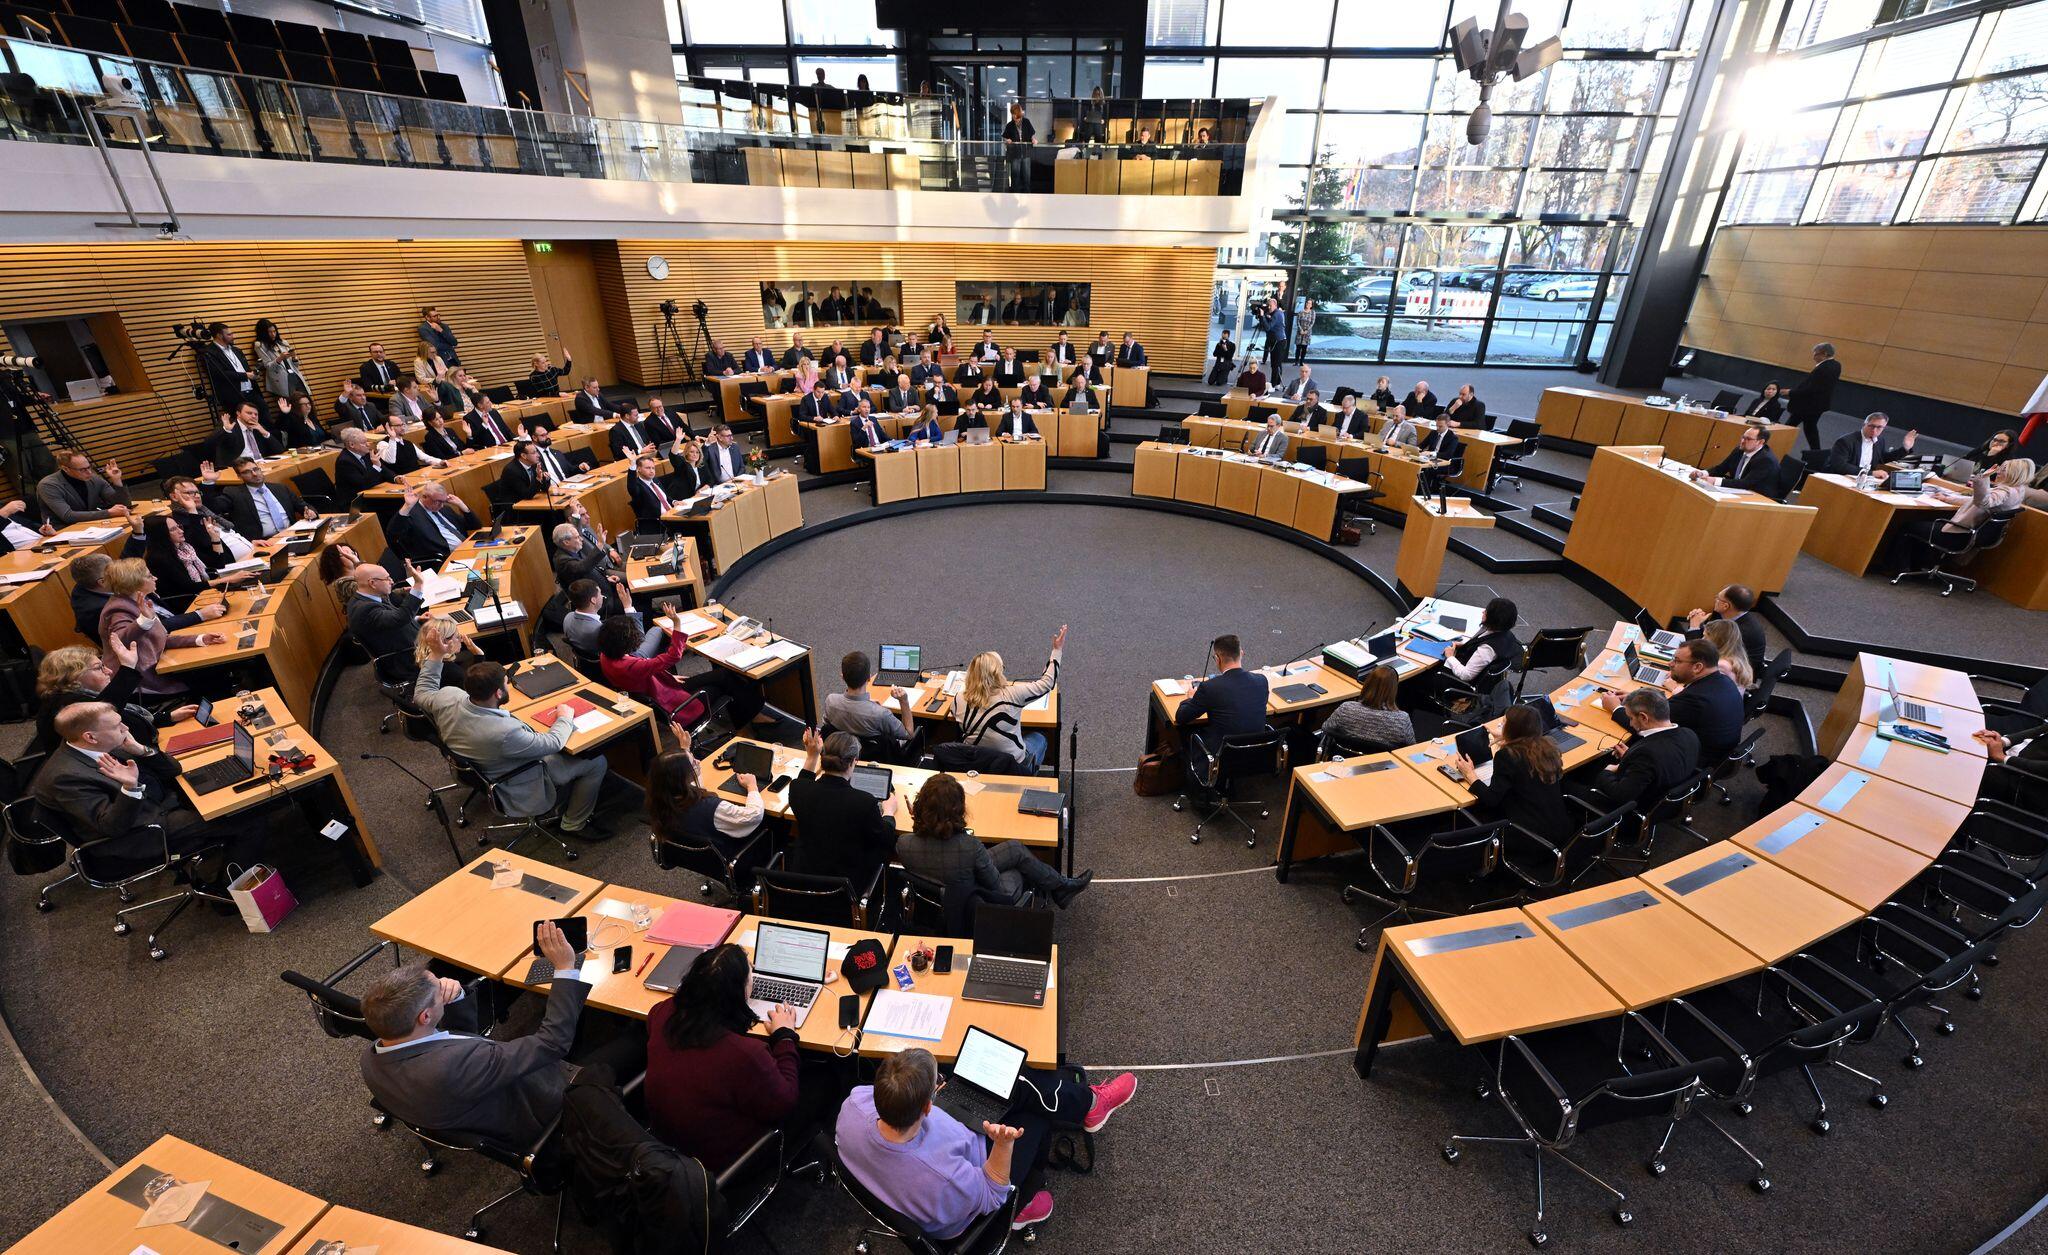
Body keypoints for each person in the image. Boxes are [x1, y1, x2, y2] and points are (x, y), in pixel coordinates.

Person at [360, 923, 640, 1147]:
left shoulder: (373, 1057)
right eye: (438, 991)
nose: (445, 985)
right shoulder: (458, 1064)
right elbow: (552, 1043)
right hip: (549, 1108)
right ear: (425, 1017)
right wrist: (565, 969)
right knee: (640, 1035)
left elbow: (451, 1040)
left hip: (477, 1103)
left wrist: (455, 999)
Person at [836, 1047, 1136, 1241]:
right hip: (981, 1173)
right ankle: (1024, 1202)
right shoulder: (945, 1179)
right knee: (1031, 1106)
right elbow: (992, 1194)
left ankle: (1087, 1104)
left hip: (934, 1150)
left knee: (1001, 1082)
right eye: (936, 1085)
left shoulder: (855, 1103)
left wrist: (940, 1094)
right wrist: (1003, 1145)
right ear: (928, 1106)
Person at [644, 943, 837, 1174]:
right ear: (738, 994)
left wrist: (737, 966)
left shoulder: (663, 1012)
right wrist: (784, 1036)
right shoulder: (745, 1054)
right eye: (750, 976)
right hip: (724, 1162)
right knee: (826, 1078)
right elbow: (783, 1102)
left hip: (667, 1141)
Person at [30, 702, 248, 873]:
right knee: (247, 816)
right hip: (144, 831)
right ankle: (225, 890)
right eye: (117, 726)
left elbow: (173, 769)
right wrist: (130, 787)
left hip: (160, 801)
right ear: (90, 737)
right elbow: (111, 827)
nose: (125, 728)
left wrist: (140, 750)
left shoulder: (101, 744)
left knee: (235, 796)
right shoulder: (65, 777)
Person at [417, 648, 611, 834]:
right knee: (597, 762)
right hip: (519, 777)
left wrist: (436, 653)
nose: (508, 685)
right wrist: (564, 717)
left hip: (483, 767)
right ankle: (573, 823)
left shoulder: (448, 696)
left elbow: (421, 693)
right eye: (506, 683)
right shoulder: (505, 732)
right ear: (498, 693)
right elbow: (554, 742)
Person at [898, 772, 1090, 906]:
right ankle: (1058, 889)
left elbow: (930, 843)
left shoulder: (903, 844)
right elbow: (995, 886)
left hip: (941, 888)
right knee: (1018, 870)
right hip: (975, 899)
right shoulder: (970, 846)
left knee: (1014, 849)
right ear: (958, 809)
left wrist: (918, 819)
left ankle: (1061, 887)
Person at [28, 636, 197, 758]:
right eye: (98, 668)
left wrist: (167, 717)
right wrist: (128, 667)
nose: (108, 671)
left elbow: (123, 717)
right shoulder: (69, 706)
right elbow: (108, 712)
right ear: (74, 677)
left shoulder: (79, 696)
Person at [1600, 638, 1743, 764]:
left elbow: (1646, 725)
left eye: (1677, 661)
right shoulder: (1722, 681)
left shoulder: (1695, 700)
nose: (1670, 663)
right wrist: (1637, 699)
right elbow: (1666, 708)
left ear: (1697, 667)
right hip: (1714, 753)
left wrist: (1615, 708)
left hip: (1690, 762)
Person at [787, 727, 900, 885]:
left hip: (803, 879)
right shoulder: (864, 802)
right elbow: (886, 838)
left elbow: (804, 780)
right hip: (846, 884)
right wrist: (889, 812)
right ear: (854, 761)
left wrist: (812, 755)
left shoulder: (798, 789)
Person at [98, 558, 226, 696]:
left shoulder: (139, 601)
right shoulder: (119, 609)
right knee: (215, 676)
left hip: (160, 664)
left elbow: (161, 638)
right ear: (134, 583)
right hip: (143, 680)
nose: (155, 578)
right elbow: (120, 640)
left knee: (217, 670)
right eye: (149, 576)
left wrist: (200, 639)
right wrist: (144, 620)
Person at [1448, 703, 1572, 844]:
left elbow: (1491, 799)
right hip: (1561, 830)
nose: (1501, 725)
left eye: (1504, 723)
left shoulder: (1506, 756)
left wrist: (1470, 774)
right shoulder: (1549, 748)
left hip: (1529, 837)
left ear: (1512, 729)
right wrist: (1509, 738)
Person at [1889, 458, 2034, 573]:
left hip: (1959, 535)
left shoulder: (2004, 492)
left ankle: (1897, 568)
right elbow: (1975, 500)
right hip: (1975, 535)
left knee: (1908, 526)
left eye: (2004, 469)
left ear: (2014, 473)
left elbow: (1983, 502)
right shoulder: (2018, 491)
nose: (1999, 471)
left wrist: (1982, 478)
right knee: (1926, 523)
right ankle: (1917, 565)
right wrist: (1947, 498)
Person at [961, 627, 1065, 773]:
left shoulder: (958, 699)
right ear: (997, 673)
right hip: (1013, 767)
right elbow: (1047, 683)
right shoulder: (1013, 695)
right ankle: (1027, 777)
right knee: (1040, 737)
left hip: (975, 764)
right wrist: (1057, 650)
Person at [1578, 688, 1700, 810]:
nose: (1630, 724)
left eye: (1631, 718)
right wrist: (1630, 756)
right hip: (1667, 801)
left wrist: (1607, 772)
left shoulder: (1647, 754)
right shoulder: (1689, 734)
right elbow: (1663, 761)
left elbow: (1621, 795)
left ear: (1643, 717)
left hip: (1634, 808)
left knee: (1570, 782)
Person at [1174, 633, 1268, 740]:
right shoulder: (1261, 680)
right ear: (1241, 654)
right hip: (1258, 748)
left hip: (1223, 749)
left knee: (1185, 732)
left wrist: (1190, 698)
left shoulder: (1210, 687)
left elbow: (1181, 718)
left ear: (1217, 659)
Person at [347, 563, 428, 685]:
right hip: (406, 659)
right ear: (372, 583)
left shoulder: (370, 596)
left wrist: (417, 619)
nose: (392, 581)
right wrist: (418, 585)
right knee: (453, 669)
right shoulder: (364, 609)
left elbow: (390, 621)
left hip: (412, 643)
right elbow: (400, 618)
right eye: (387, 578)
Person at [1439, 597, 1521, 712]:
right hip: (1474, 674)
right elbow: (1480, 643)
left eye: (1486, 611)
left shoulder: (1487, 649)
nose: (1483, 612)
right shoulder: (1507, 634)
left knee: (1420, 676)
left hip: (1457, 683)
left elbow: (1466, 675)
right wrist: (1465, 645)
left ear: (1492, 619)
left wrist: (1450, 656)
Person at [823, 650, 918, 746]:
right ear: (869, 678)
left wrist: (869, 705)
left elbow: (827, 726)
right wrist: (904, 701)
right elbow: (908, 734)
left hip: (845, 750)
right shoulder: (881, 714)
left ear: (842, 677)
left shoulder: (831, 701)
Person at [1316, 665, 1413, 750]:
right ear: (1394, 689)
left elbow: (1326, 728)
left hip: (1344, 761)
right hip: (1383, 764)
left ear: (1367, 683)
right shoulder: (1402, 720)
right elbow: (1411, 748)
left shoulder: (1346, 709)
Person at [1683, 583, 1768, 680]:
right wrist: (1699, 623)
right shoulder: (1723, 615)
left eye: (1718, 598)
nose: (1715, 600)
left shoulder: (1741, 632)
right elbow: (1706, 641)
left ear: (1725, 606)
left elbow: (1699, 653)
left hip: (1731, 677)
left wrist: (1694, 626)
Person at [141, 512, 226, 607]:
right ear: (161, 534)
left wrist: (215, 538)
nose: (181, 531)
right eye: (173, 529)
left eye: (178, 526)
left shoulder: (185, 548)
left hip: (203, 594)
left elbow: (219, 564)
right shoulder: (158, 558)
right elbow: (189, 587)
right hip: (188, 603)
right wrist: (225, 580)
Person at [214, 456, 309, 541]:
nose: (254, 474)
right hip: (264, 542)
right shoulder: (234, 494)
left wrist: (311, 512)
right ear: (239, 476)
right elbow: (214, 507)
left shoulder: (280, 488)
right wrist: (208, 483)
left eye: (256, 469)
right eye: (247, 472)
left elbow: (303, 506)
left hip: (292, 534)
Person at [37, 449, 130, 525]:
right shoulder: (48, 485)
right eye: (82, 470)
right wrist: (108, 513)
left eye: (89, 467)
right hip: (63, 530)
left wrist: (117, 480)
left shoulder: (93, 478)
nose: (89, 472)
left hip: (92, 525)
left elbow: (123, 504)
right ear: (65, 469)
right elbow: (68, 516)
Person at [1827, 411, 1917, 480]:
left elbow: (1883, 458)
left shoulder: (1879, 440)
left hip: (1864, 479)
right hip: (1842, 478)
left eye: (1879, 427)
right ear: (1865, 424)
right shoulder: (1846, 441)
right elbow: (1840, 466)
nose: (1874, 430)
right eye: (1871, 426)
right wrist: (1871, 473)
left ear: (1884, 427)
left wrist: (1905, 448)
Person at [1693, 424, 1780, 495]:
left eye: (1748, 439)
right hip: (1738, 491)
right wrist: (1702, 473)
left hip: (1758, 497)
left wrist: (1715, 481)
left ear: (1760, 442)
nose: (1742, 441)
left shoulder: (1766, 460)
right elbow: (1721, 468)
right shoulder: (1739, 450)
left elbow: (1746, 483)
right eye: (1743, 437)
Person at [1786, 342, 1840, 453]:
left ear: (1824, 354)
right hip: (1819, 404)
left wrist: (1790, 392)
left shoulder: (1822, 368)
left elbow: (1811, 388)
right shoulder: (1836, 365)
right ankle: (1816, 452)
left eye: (1816, 354)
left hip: (1808, 405)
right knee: (1810, 428)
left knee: (1788, 426)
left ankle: (1775, 444)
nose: (1813, 357)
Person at [199, 321, 259, 415]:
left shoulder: (236, 350)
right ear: (219, 336)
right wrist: (245, 375)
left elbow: (245, 368)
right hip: (234, 396)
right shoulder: (209, 353)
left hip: (252, 391)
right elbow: (219, 374)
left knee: (265, 418)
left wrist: (253, 374)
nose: (233, 336)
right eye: (229, 334)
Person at [250, 318, 308, 402]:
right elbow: (268, 366)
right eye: (269, 332)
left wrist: (294, 357)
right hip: (281, 379)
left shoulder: (282, 343)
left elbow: (295, 365)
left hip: (295, 375)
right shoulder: (260, 346)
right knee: (292, 404)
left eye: (274, 331)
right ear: (263, 333)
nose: (273, 334)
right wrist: (280, 358)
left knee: (307, 400)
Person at [208, 401, 283, 467]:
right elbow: (210, 443)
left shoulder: (259, 428)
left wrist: (265, 433)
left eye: (256, 414)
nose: (253, 416)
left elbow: (279, 450)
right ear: (238, 414)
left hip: (261, 464)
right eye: (249, 413)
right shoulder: (230, 427)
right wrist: (226, 430)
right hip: (239, 468)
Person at [333, 427, 393, 503]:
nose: (368, 444)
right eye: (364, 442)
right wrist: (376, 466)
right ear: (352, 445)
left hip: (371, 494)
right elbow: (363, 484)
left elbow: (382, 468)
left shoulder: (365, 453)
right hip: (357, 501)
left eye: (367, 441)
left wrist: (395, 478)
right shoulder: (344, 462)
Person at [1700, 619, 1755, 691]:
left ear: (1717, 640)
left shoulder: (1721, 666)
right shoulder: (1737, 659)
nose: (1702, 640)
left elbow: (1702, 690)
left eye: (1705, 636)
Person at [1950, 428, 2018, 480]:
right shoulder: (1982, 449)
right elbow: (1964, 459)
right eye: (1994, 439)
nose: (1995, 443)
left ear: (2008, 445)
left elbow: (1987, 476)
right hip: (1963, 478)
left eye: (2001, 441)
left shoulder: (2008, 461)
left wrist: (1990, 456)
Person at [1002, 101, 1035, 191]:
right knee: (1015, 177)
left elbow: (1032, 134)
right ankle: (1014, 195)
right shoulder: (1009, 125)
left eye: (1017, 117)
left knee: (1026, 177)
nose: (1016, 118)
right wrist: (1007, 140)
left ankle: (1027, 195)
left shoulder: (1026, 122)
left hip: (1026, 153)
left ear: (1020, 114)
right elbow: (1005, 137)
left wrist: (1033, 139)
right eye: (1013, 116)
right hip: (1014, 154)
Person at [1293, 298, 1316, 363]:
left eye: (1309, 303)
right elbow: (1298, 321)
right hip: (1300, 332)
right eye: (1307, 303)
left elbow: (1312, 322)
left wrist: (1306, 330)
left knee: (1304, 348)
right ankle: (1296, 361)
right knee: (1298, 347)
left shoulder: (1313, 313)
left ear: (1311, 305)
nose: (1308, 304)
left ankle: (1301, 361)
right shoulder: (1301, 312)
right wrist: (1301, 330)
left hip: (1307, 333)